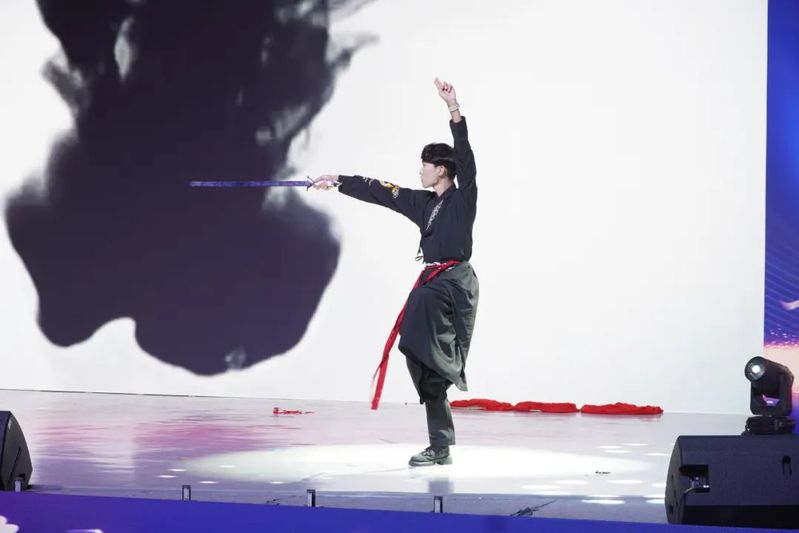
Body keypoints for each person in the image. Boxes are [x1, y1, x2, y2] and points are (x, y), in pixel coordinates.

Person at [313, 78, 478, 467]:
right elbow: (383, 192)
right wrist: (338, 181)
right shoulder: (424, 204)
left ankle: (442, 385)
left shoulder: (464, 198)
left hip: (453, 286)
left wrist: (453, 108)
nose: (420, 172)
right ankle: (440, 440)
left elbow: (466, 156)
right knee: (419, 355)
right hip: (432, 287)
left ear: (441, 170)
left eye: (425, 166)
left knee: (423, 317)